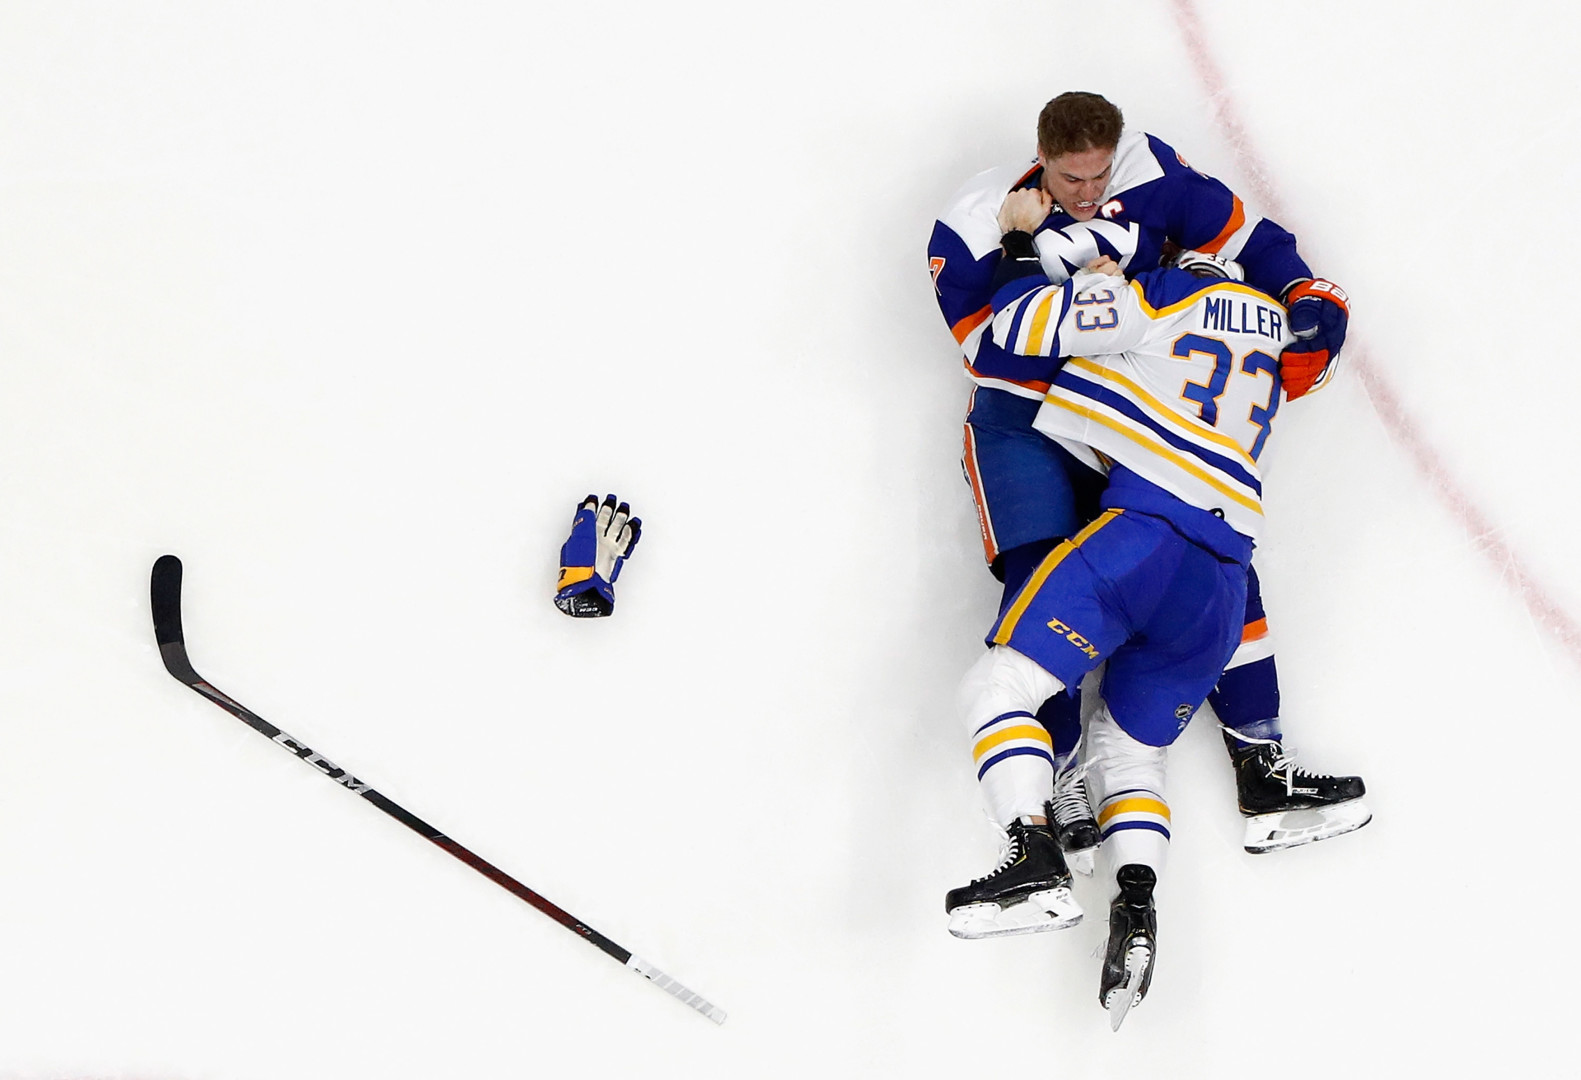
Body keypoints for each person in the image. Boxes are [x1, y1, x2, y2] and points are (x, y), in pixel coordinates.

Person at [928, 92, 1365, 860]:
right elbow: (988, 350)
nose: (1089, 192)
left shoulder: (1153, 170)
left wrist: (1301, 293)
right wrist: (1064, 288)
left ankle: (1257, 761)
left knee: (1211, 552)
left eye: (1099, 176)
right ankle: (1058, 783)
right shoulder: (973, 217)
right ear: (1042, 160)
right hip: (1025, 424)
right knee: (1040, 581)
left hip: (1125, 419)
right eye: (1071, 180)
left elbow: (1252, 239)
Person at [951, 185, 1325, 1024]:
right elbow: (1314, 347)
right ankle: (1135, 898)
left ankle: (1033, 851)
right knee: (1131, 756)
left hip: (1145, 539)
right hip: (1223, 584)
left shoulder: (1159, 295)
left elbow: (1015, 325)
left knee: (997, 689)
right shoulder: (1268, 329)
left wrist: (1022, 249)